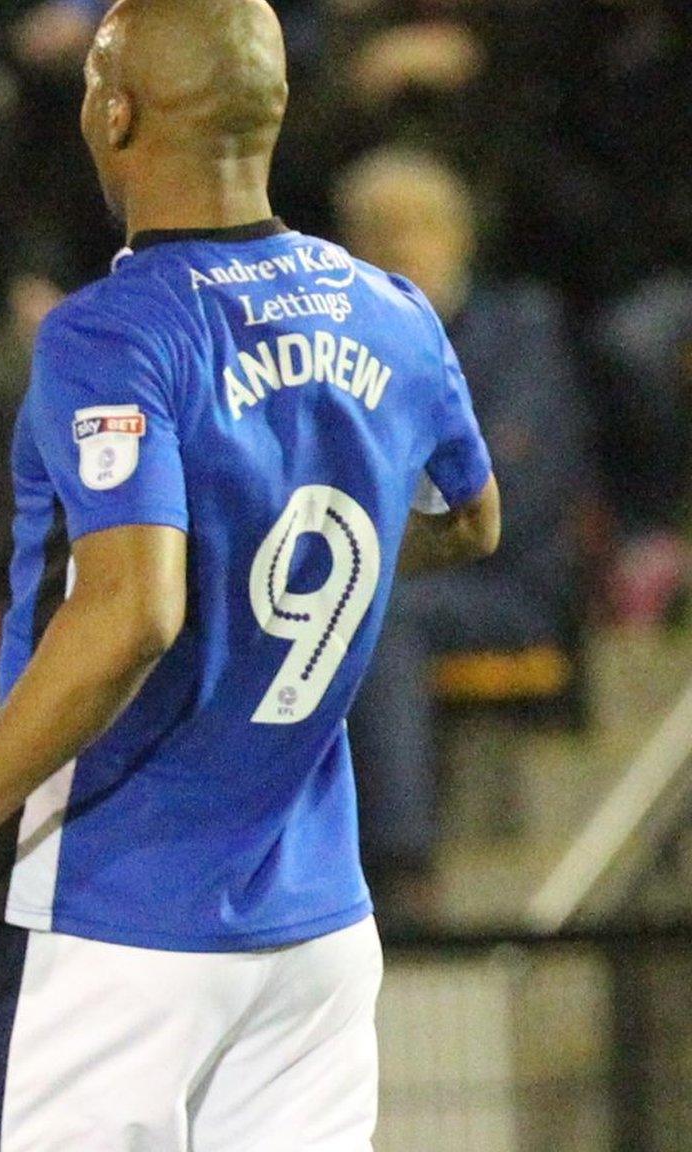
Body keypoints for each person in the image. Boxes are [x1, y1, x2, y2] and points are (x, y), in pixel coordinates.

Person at [0, 1, 501, 1148]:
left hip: (104, 922)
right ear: (275, 107)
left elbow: (131, 613)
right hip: (310, 937)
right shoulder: (393, 312)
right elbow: (468, 523)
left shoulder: (112, 333)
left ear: (113, 112)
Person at [334, 146, 596, 917]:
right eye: (376, 231)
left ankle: (402, 867)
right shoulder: (344, 344)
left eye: (418, 227)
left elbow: (511, 489)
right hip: (391, 565)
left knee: (383, 617)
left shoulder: (520, 330)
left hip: (508, 584)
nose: (398, 248)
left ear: (460, 237)